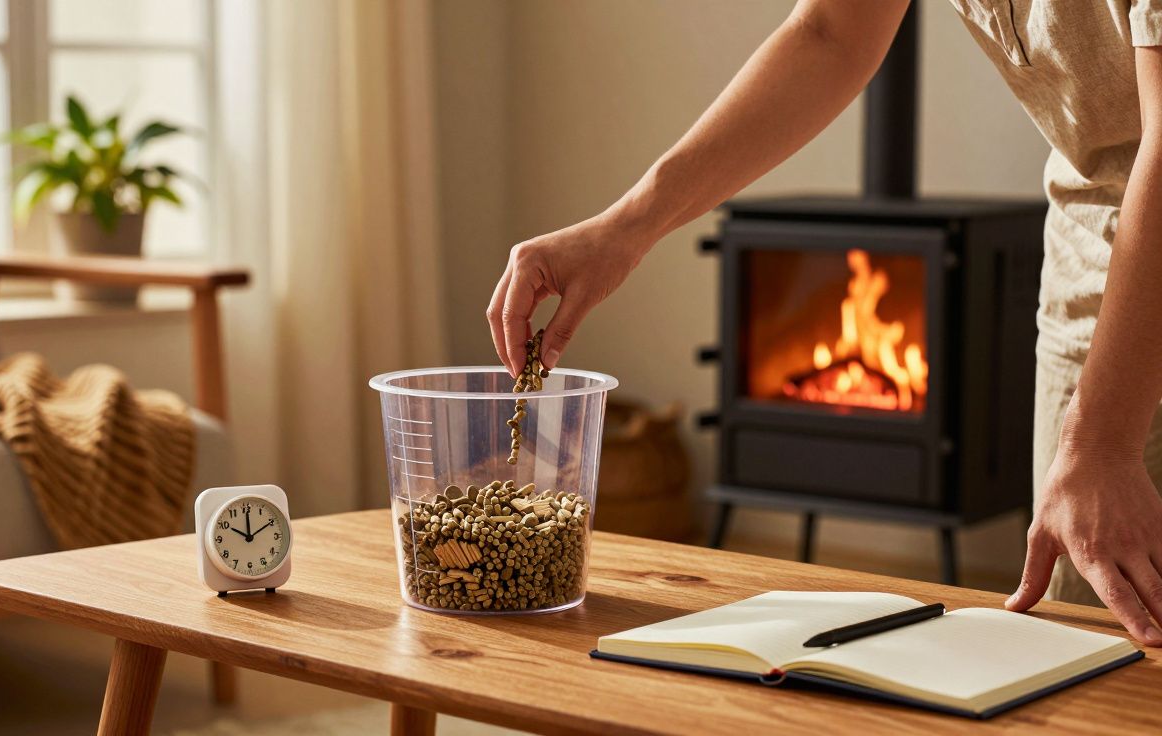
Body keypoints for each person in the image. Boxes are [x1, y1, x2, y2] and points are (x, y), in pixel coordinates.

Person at [486, 0, 1162, 646]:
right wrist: (623, 228)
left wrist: (1102, 440)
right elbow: (830, 33)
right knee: (1098, 629)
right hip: (1091, 242)